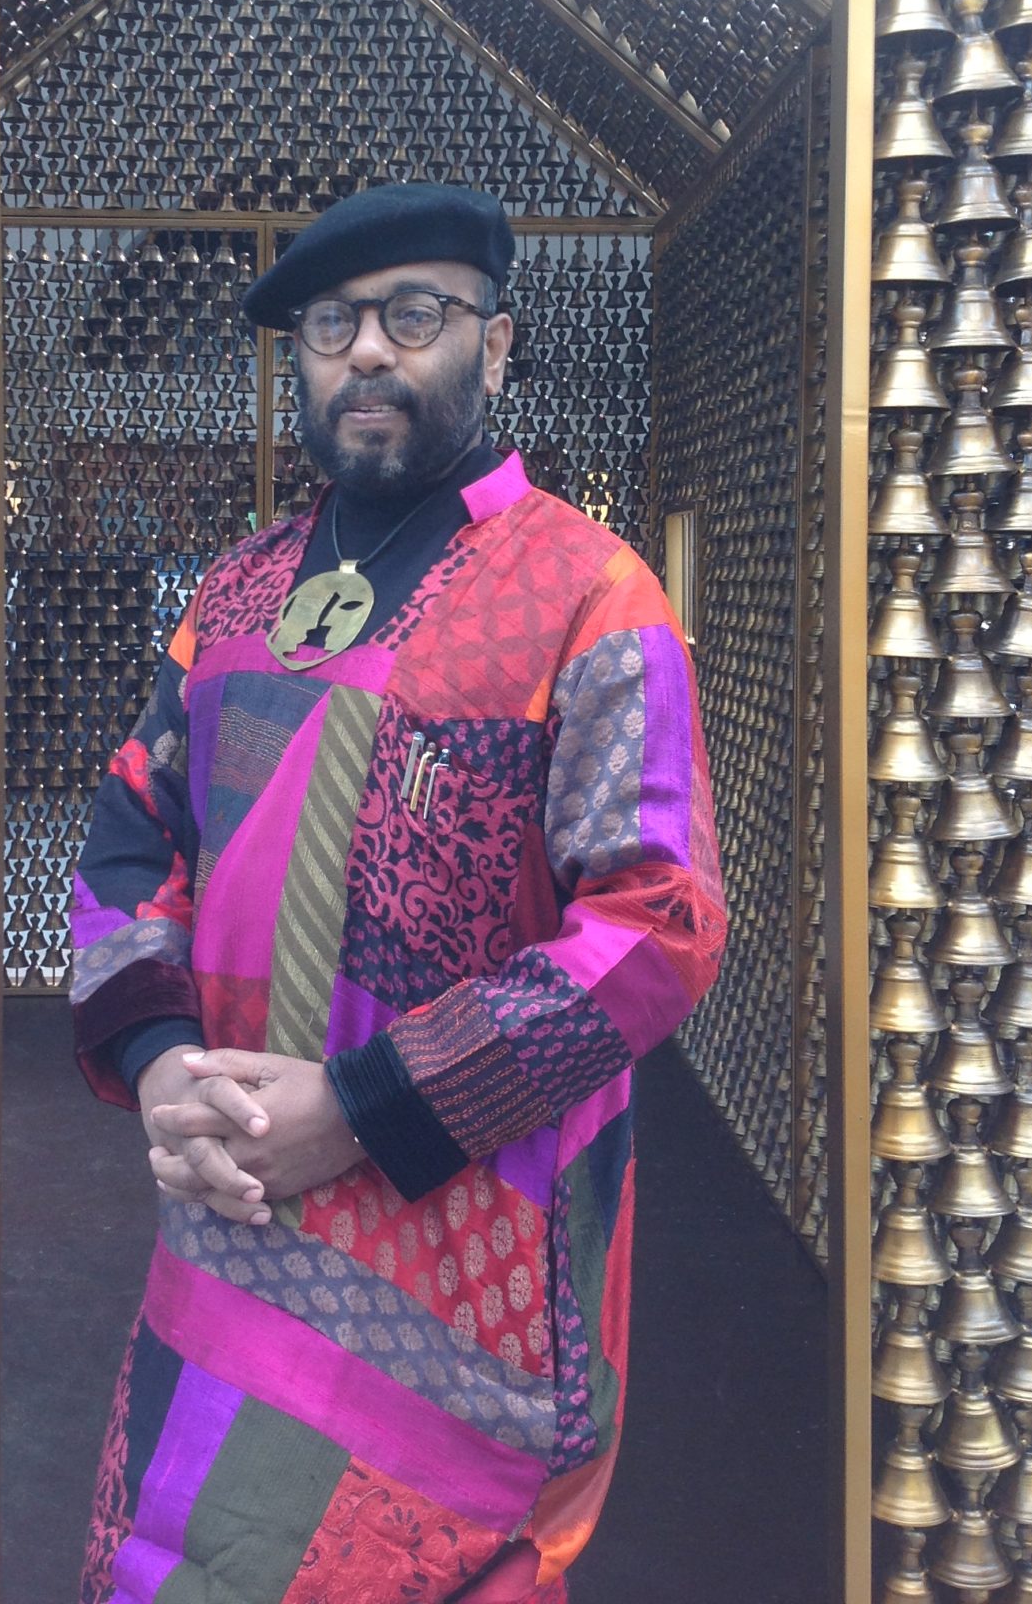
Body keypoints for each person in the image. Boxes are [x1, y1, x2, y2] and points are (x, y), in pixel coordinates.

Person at [68, 183, 727, 1604]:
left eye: (412, 314)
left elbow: (656, 921)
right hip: (228, 1227)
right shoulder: (234, 595)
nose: (366, 349)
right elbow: (130, 836)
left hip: (462, 1269)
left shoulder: (587, 593)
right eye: (331, 324)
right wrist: (163, 1061)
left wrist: (362, 1110)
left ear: (496, 344)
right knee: (174, 1561)